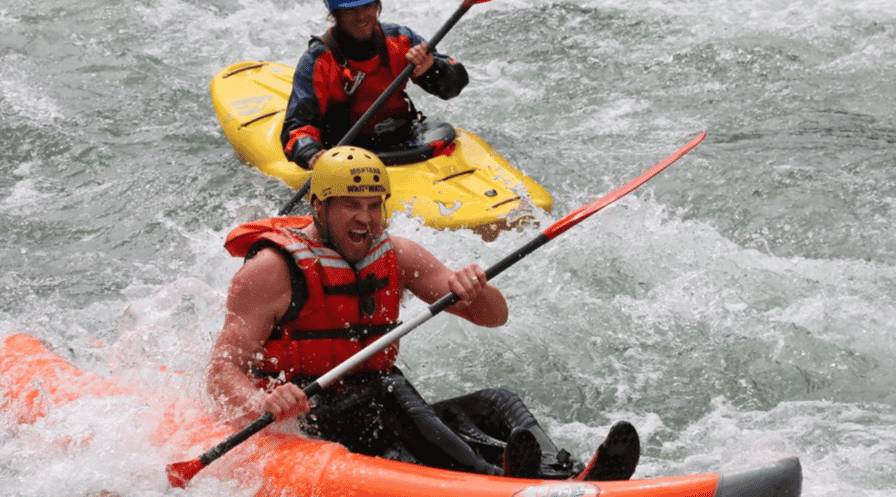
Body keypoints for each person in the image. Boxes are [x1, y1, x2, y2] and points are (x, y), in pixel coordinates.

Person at [207, 146, 640, 480]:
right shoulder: (271, 271)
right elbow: (222, 370)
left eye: (374, 205)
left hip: (380, 415)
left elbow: (494, 317)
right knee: (388, 388)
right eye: (351, 205)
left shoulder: (396, 254)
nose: (366, 219)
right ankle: (493, 482)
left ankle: (564, 472)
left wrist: (477, 291)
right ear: (320, 205)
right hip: (310, 423)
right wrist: (262, 401)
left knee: (496, 401)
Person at [280, 0, 470, 170]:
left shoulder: (401, 41)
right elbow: (297, 126)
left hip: (398, 139)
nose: (361, 16)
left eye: (367, 6)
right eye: (350, 10)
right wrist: (312, 154)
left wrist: (432, 68)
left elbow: (455, 86)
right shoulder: (318, 60)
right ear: (335, 14)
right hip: (346, 152)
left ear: (377, 6)